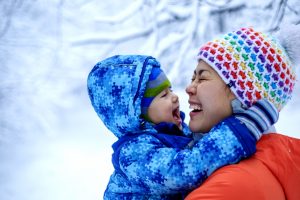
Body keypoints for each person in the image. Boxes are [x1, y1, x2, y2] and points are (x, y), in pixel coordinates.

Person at [87, 55, 278, 199]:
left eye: (170, 89)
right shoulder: (133, 154)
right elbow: (185, 169)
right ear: (137, 115)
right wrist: (240, 130)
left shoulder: (178, 133)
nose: (175, 96)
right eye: (163, 95)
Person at [185, 25, 300, 200]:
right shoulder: (269, 163)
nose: (189, 88)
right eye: (193, 77)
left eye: (202, 77)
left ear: (243, 94)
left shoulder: (229, 188)